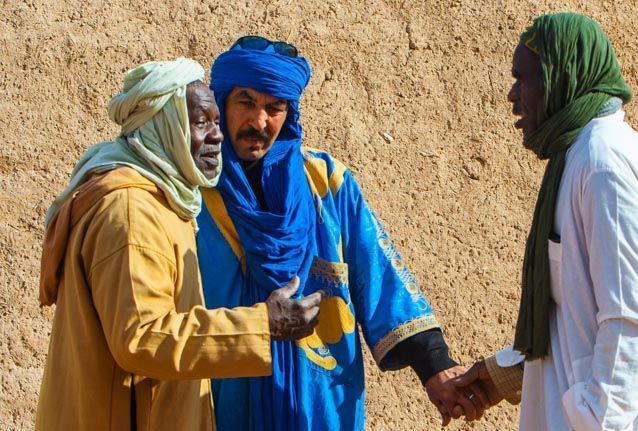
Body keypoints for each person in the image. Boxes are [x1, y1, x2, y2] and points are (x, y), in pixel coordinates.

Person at [195, 36, 486, 430]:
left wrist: (435, 367)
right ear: (222, 102)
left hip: (323, 404)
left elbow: (379, 276)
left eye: (274, 107)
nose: (260, 122)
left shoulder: (325, 181)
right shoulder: (193, 190)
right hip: (218, 403)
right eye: (246, 102)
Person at [35, 58, 322, 431]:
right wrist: (262, 325)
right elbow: (142, 337)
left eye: (216, 121)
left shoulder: (165, 200)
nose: (217, 137)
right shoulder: (132, 211)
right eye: (201, 123)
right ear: (164, 128)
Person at [453, 12, 638, 431]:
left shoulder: (606, 164)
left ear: (559, 75)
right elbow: (575, 313)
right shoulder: (578, 159)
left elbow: (631, 317)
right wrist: (508, 372)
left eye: (523, 78)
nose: (512, 95)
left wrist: (595, 420)